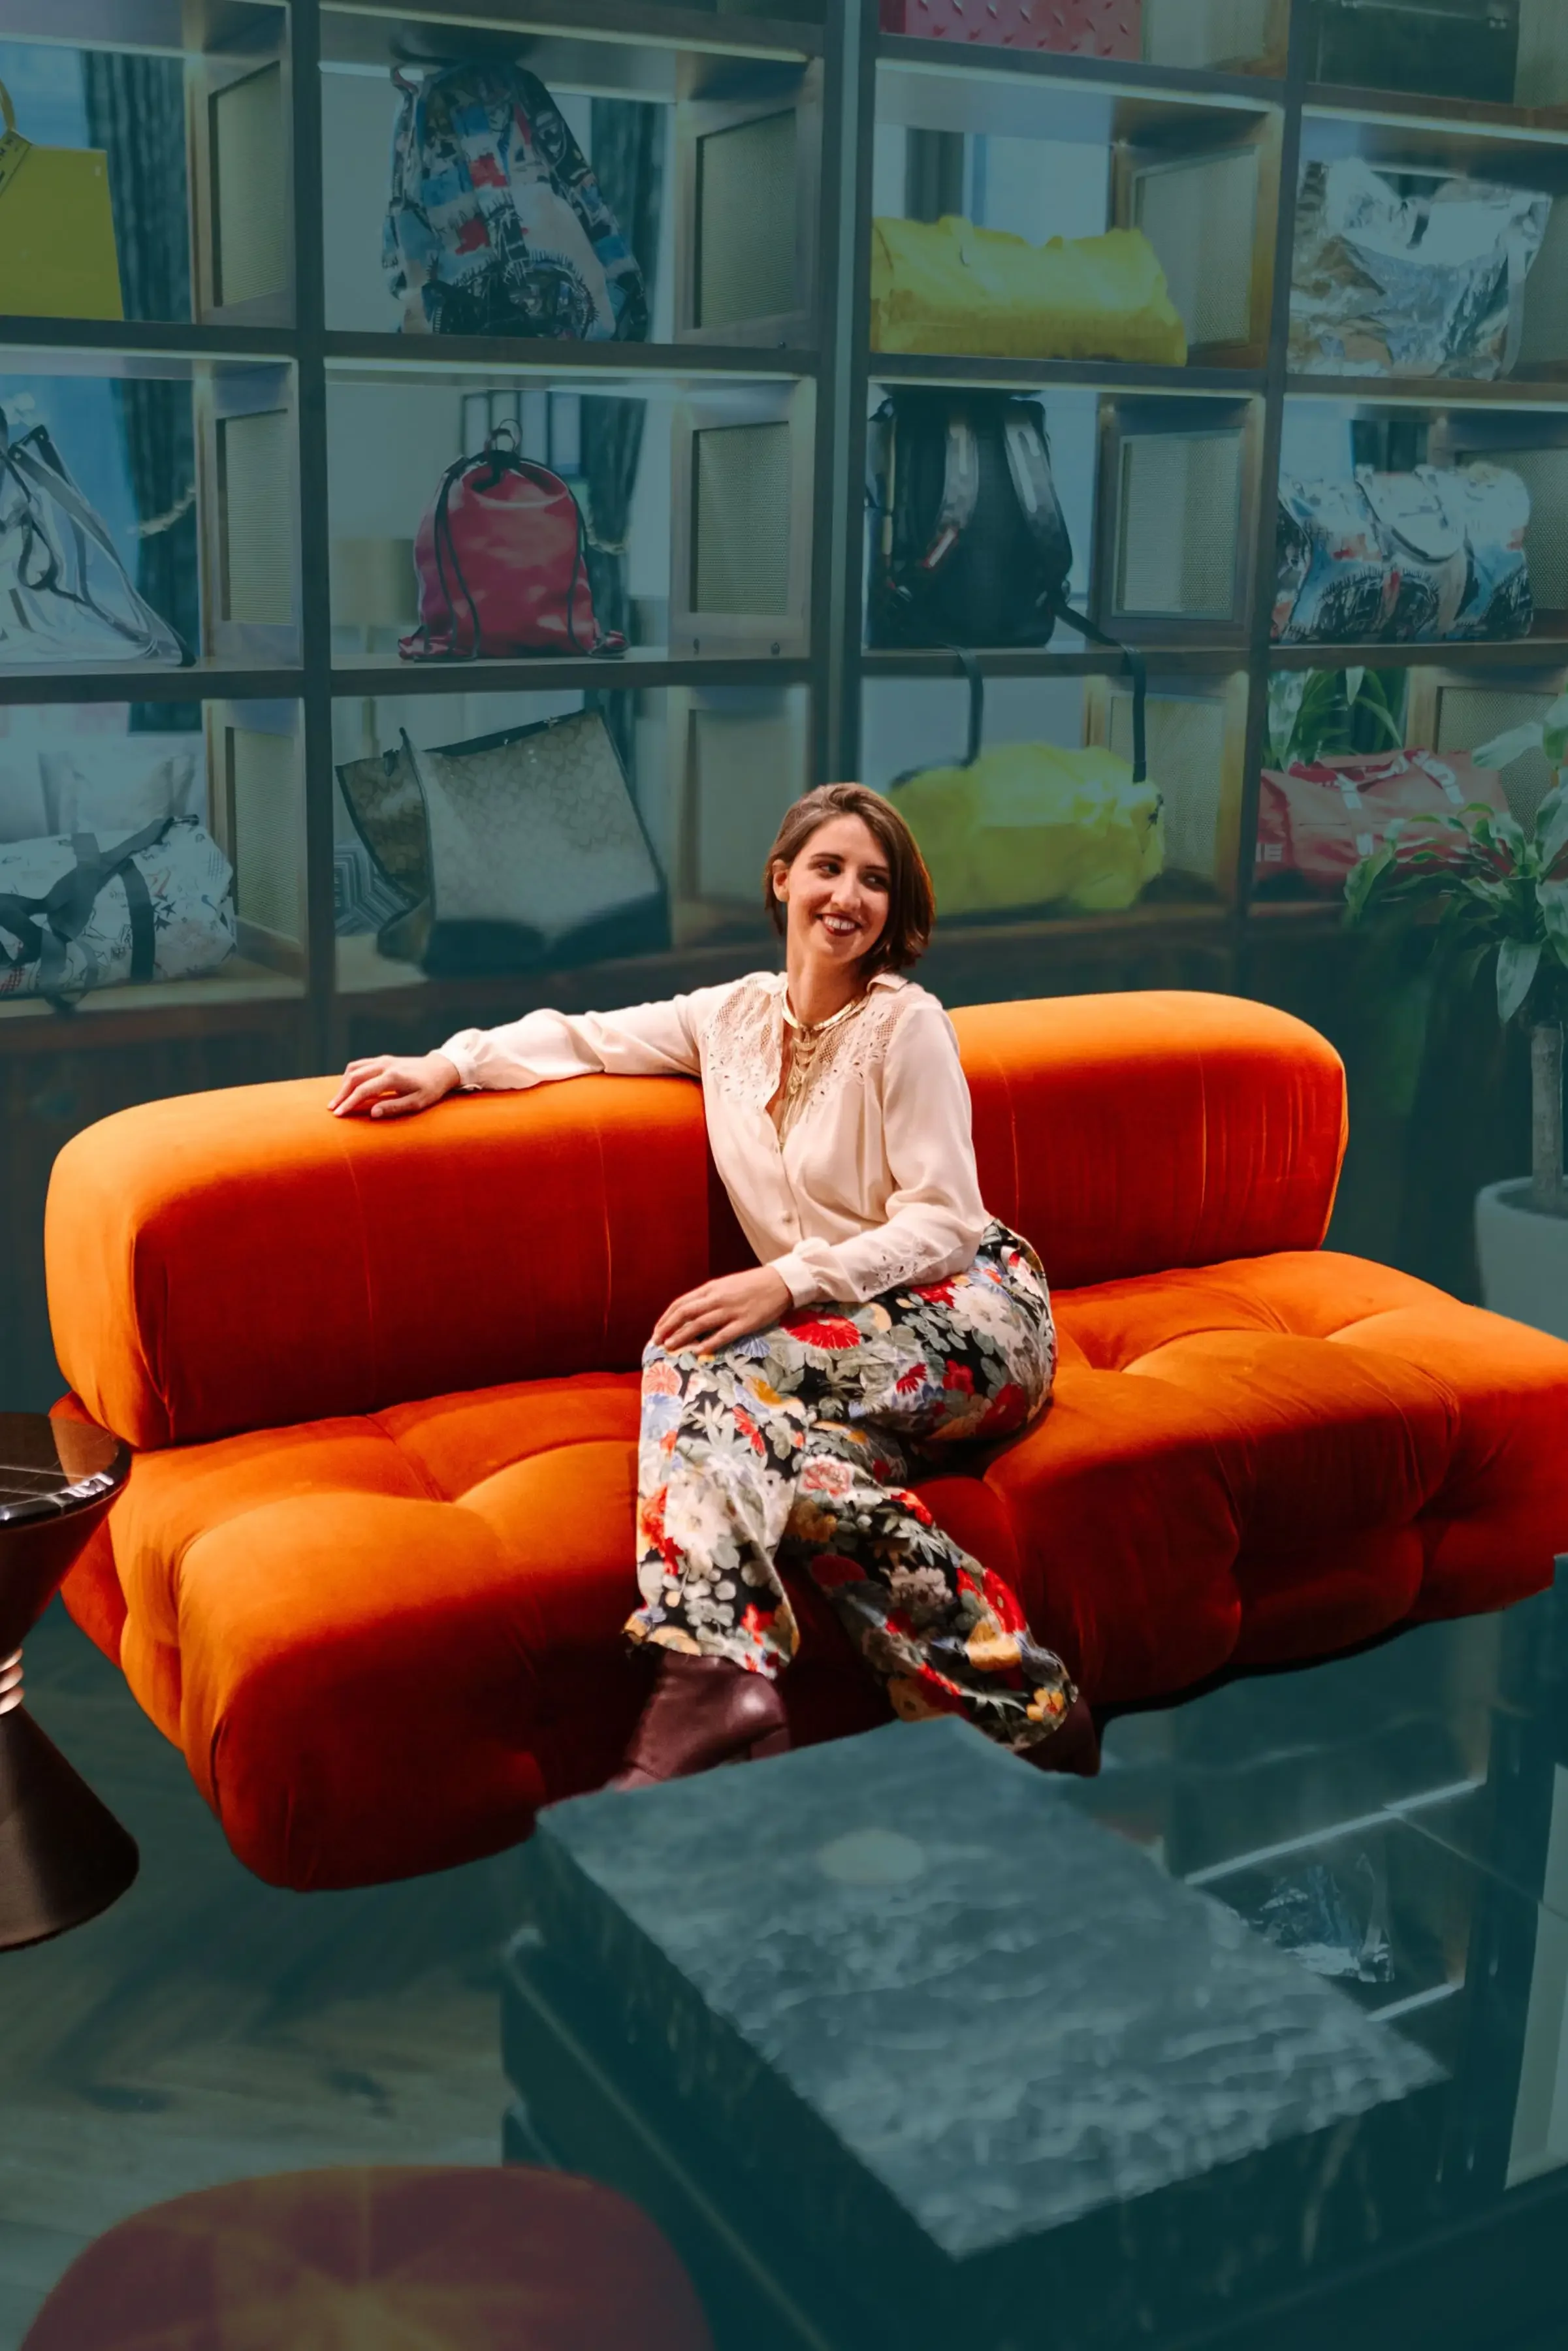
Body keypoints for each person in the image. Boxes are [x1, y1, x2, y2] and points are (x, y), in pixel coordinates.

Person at [328, 782, 1092, 1785]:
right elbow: (581, 1036)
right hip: (839, 1346)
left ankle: (708, 1666)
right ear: (782, 880)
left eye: (874, 881)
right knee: (808, 1488)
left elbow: (947, 1220)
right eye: (828, 869)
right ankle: (1034, 1714)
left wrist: (786, 1282)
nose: (847, 897)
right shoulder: (727, 1019)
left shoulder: (907, 1025)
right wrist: (448, 1064)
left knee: (701, 1351)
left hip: (974, 1317)